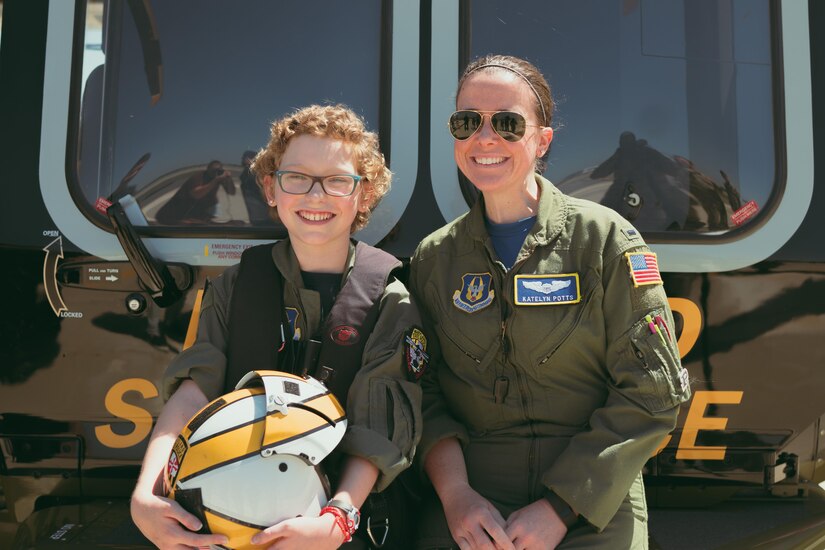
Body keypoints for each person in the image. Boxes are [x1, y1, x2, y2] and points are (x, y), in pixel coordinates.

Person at [409, 54, 691, 549]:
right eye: (467, 121)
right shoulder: (435, 258)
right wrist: (456, 496)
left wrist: (562, 507)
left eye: (508, 123)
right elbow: (423, 391)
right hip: (474, 503)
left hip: (594, 500)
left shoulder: (606, 240)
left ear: (542, 140)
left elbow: (652, 393)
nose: (486, 138)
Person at [131, 104, 424, 549]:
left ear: (364, 196)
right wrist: (146, 494)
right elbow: (195, 388)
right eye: (297, 178)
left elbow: (378, 429)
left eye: (337, 181)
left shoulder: (388, 297)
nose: (316, 196)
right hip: (225, 512)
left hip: (340, 520)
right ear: (271, 188)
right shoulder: (236, 283)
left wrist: (336, 521)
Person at [155, 160, 234, 225]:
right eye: (213, 171)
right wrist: (215, 180)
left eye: (218, 171)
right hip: (182, 207)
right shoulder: (199, 176)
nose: (215, 173)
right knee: (190, 224)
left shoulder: (220, 177)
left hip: (207, 206)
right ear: (208, 169)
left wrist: (229, 180)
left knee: (213, 223)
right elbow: (196, 194)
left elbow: (231, 192)